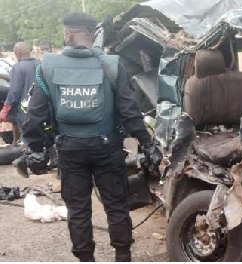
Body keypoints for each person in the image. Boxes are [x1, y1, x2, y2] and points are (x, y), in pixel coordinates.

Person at [21, 12, 162, 262]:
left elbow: (35, 116)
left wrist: (35, 148)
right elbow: (130, 113)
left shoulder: (47, 68)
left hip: (69, 149)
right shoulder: (112, 65)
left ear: (67, 34)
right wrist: (147, 143)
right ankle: (123, 256)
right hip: (107, 148)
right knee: (117, 206)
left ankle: (86, 259)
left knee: (78, 210)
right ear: (93, 35)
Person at [0, 42, 40, 144]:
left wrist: (5, 109)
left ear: (17, 53)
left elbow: (14, 92)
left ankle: (28, 153)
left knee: (27, 137)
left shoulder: (18, 68)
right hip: (41, 108)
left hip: (24, 110)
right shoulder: (41, 64)